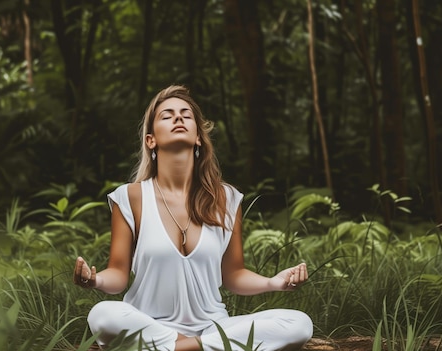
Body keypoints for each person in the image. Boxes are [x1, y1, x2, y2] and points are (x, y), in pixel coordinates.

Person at [73, 85, 313, 351]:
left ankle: (180, 348)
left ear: (198, 137)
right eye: (167, 115)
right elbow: (118, 275)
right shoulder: (130, 197)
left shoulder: (226, 198)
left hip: (212, 327)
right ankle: (206, 348)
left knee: (299, 323)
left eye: (186, 115)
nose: (178, 118)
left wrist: (273, 282)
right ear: (150, 140)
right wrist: (94, 280)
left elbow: (233, 275)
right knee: (102, 315)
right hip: (148, 321)